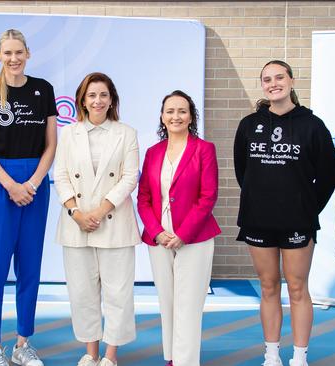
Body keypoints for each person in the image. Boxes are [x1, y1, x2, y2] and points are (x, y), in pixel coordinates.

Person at [233, 60, 335, 366]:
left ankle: (300, 356)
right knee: (267, 286)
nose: (273, 83)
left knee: (296, 287)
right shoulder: (249, 125)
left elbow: (327, 177)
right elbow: (244, 172)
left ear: (291, 81)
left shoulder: (312, 125)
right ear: (262, 84)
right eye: (267, 79)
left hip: (297, 222)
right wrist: (261, 198)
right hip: (258, 220)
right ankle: (272, 354)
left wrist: (304, 208)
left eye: (279, 77)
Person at [0, 29, 57, 366]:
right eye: (8, 53)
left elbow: (51, 144)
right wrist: (10, 185)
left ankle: (23, 344)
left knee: (30, 267)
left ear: (28, 54)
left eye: (19, 52)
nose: (14, 58)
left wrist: (32, 182)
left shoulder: (42, 90)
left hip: (35, 183)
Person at [54, 72, 140, 366]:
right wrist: (76, 213)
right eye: (91, 95)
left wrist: (101, 211)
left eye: (103, 95)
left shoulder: (126, 133)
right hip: (76, 225)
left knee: (118, 292)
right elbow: (61, 175)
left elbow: (130, 177)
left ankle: (110, 355)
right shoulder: (68, 133)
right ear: (82, 100)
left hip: (114, 223)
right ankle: (90, 354)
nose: (98, 100)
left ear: (112, 99)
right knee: (82, 292)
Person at [137, 90, 220, 366]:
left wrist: (183, 234)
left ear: (191, 116)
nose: (176, 116)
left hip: (193, 236)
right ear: (162, 116)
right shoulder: (153, 152)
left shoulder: (204, 149)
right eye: (170, 111)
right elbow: (144, 198)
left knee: (188, 305)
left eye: (182, 111)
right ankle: (171, 359)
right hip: (159, 236)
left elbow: (208, 196)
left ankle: (186, 362)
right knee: (168, 302)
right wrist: (157, 231)